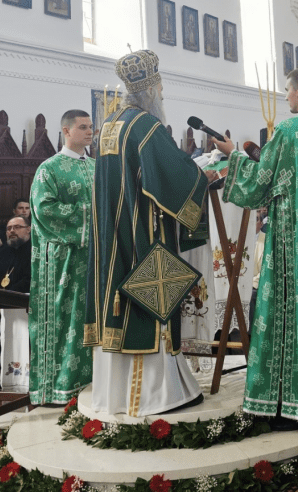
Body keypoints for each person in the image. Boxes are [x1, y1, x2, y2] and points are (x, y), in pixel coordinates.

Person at [213, 67, 298, 426]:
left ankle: (287, 403)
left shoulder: (289, 130)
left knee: (287, 312)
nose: (285, 96)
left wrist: (232, 155)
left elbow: (260, 181)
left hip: (292, 237)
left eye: (287, 91)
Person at [85, 50, 211, 417]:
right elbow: (173, 180)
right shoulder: (146, 126)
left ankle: (115, 396)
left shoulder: (110, 124)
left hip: (112, 237)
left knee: (117, 298)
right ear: (151, 91)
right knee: (147, 305)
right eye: (160, 88)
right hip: (141, 234)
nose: (162, 95)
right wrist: (201, 174)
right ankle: (155, 395)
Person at [29, 109, 96, 405]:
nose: (90, 132)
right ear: (66, 131)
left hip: (96, 258)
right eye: (83, 127)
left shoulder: (97, 166)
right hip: (65, 260)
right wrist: (89, 216)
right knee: (67, 320)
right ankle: (60, 388)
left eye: (91, 126)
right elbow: (44, 210)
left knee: (91, 320)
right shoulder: (49, 169)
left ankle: (94, 383)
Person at [0, 217, 32, 293]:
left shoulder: (35, 252)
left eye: (17, 227)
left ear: (28, 229)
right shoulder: (2, 253)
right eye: (9, 228)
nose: (12, 231)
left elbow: (30, 280)